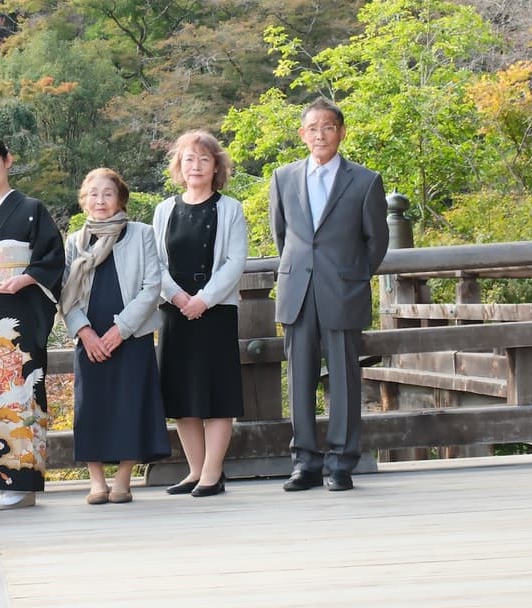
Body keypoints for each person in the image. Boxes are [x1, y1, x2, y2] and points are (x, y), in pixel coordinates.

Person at [268, 98, 388, 492]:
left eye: (328, 127)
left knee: (344, 378)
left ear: (341, 132)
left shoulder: (365, 180)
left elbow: (376, 242)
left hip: (344, 288)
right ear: (302, 134)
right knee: (299, 377)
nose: (320, 134)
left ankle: (341, 462)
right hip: (298, 288)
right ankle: (304, 461)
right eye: (312, 128)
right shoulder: (283, 178)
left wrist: (352, 275)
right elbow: (282, 236)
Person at [0, 134, 65, 511]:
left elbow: (52, 257)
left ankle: (22, 481)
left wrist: (28, 277)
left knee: (19, 393)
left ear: (8, 161)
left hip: (19, 314)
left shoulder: (32, 208)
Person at [61, 168, 170, 505]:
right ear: (84, 200)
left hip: (131, 332)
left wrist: (120, 330)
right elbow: (65, 294)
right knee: (90, 406)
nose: (100, 200)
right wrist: (85, 332)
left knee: (131, 404)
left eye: (107, 193)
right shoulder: (75, 242)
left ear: (120, 198)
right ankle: (97, 482)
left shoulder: (141, 234)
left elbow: (152, 286)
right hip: (89, 335)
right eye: (93, 194)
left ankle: (123, 479)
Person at [151, 132, 248, 498]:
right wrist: (177, 297)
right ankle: (194, 471)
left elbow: (234, 261)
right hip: (175, 311)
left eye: (204, 160)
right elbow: (155, 262)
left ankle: (212, 473)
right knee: (182, 396)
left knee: (217, 395)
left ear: (216, 166)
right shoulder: (164, 210)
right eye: (190, 159)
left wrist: (203, 300)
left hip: (216, 310)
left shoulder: (230, 209)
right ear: (179, 165)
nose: (196, 166)